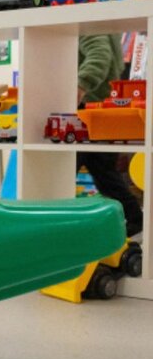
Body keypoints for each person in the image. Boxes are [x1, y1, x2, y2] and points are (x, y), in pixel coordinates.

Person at [77, 34, 143, 238]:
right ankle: (134, 219)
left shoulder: (89, 25)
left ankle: (133, 219)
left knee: (65, 167)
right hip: (101, 107)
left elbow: (100, 55)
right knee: (105, 173)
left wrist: (80, 86)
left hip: (91, 109)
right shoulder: (100, 25)